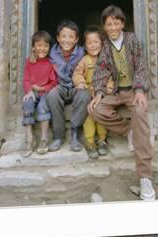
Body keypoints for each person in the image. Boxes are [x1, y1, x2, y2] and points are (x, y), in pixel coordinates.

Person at [88, 5, 156, 201]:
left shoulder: (132, 40)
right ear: (104, 26)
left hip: (134, 91)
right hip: (117, 92)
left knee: (141, 114)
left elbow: (141, 66)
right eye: (109, 24)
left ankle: (145, 177)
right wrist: (99, 93)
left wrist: (140, 90)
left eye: (116, 23)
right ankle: (128, 130)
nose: (113, 27)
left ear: (122, 23)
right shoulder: (105, 45)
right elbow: (100, 71)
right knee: (95, 109)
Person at [46, 20, 91, 152]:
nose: (67, 40)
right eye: (64, 36)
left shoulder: (82, 52)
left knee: (84, 95)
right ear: (58, 38)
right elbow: (39, 56)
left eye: (71, 37)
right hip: (59, 86)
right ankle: (58, 136)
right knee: (52, 95)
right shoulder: (51, 52)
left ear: (76, 39)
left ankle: (75, 133)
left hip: (76, 86)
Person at [72, 26, 110, 158]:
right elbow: (77, 74)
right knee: (88, 114)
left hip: (102, 94)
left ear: (102, 43)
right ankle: (90, 142)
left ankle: (102, 139)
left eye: (96, 42)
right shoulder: (84, 60)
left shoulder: (106, 60)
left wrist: (108, 88)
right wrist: (81, 82)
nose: (93, 45)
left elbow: (112, 77)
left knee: (100, 112)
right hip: (89, 93)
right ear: (85, 45)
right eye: (90, 43)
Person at [22, 31, 57, 156]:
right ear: (33, 47)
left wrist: (42, 89)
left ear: (49, 48)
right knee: (27, 103)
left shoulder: (50, 63)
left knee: (43, 106)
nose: (42, 49)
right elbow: (26, 79)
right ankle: (30, 138)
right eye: (39, 45)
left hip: (45, 92)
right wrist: (29, 90)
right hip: (33, 91)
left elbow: (54, 82)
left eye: (46, 46)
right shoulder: (29, 61)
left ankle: (43, 138)